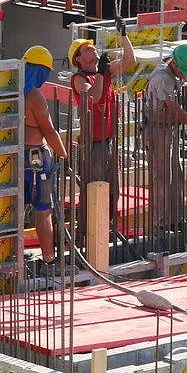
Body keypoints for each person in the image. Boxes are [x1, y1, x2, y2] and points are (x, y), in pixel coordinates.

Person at [69, 30, 135, 236]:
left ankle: (108, 228)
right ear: (79, 59)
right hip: (92, 143)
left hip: (108, 139)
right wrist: (100, 73)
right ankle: (87, 232)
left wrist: (124, 35)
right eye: (87, 50)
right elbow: (94, 97)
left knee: (112, 189)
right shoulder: (79, 79)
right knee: (93, 189)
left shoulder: (104, 73)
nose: (93, 50)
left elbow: (129, 61)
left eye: (93, 47)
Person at [144, 43, 187, 242]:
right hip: (159, 131)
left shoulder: (173, 66)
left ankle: (175, 219)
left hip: (170, 129)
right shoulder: (163, 79)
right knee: (161, 178)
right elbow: (175, 110)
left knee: (176, 175)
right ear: (175, 64)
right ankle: (158, 223)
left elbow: (186, 75)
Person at [22, 46, 68, 272]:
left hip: (18, 156)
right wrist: (65, 154)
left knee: (17, 209)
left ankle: (14, 256)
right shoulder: (35, 97)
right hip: (36, 157)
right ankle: (49, 260)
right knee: (43, 210)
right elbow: (49, 131)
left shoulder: (14, 92)